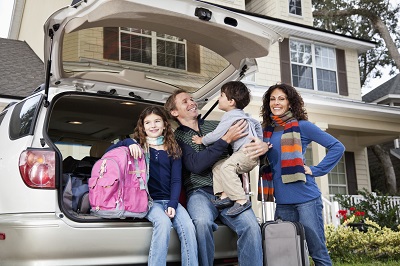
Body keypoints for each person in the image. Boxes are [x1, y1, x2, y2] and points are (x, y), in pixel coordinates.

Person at [165, 89, 269, 266]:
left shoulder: (217, 125)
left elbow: (244, 149)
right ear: (174, 112)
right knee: (201, 222)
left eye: (192, 99)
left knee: (251, 227)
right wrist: (225, 140)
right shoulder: (177, 138)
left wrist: (262, 147)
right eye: (185, 101)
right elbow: (195, 165)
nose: (192, 102)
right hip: (200, 193)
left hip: (229, 192)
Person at [257, 83, 345, 266]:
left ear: (290, 102)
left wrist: (315, 170)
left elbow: (337, 147)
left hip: (306, 199)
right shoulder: (267, 130)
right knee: (285, 254)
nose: (276, 102)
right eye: (272, 99)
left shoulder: (302, 126)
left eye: (281, 98)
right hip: (282, 201)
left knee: (317, 251)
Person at [106, 106, 198, 266]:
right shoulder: (138, 147)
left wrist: (173, 203)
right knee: (163, 223)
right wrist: (128, 142)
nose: (153, 126)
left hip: (170, 199)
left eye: (157, 121)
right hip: (149, 201)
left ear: (164, 125)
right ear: (142, 126)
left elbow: (176, 180)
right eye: (148, 122)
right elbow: (108, 152)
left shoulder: (173, 149)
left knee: (189, 228)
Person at [191, 81, 262, 216]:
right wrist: (260, 140)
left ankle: (241, 200)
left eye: (221, 95)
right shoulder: (244, 115)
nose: (218, 98)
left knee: (227, 167)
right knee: (218, 165)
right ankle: (224, 195)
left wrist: (202, 140)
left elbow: (217, 135)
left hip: (245, 153)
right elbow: (257, 124)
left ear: (231, 102)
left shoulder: (230, 116)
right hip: (249, 154)